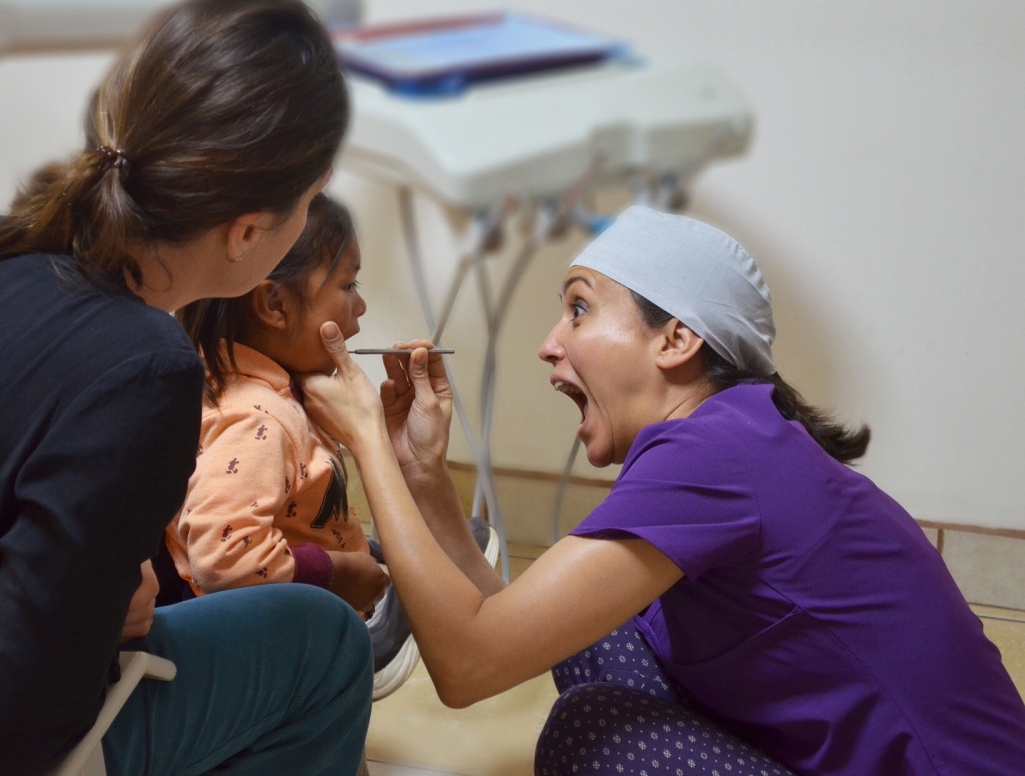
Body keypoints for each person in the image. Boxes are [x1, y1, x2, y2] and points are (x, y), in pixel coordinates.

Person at [0, 0, 371, 776]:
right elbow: (11, 731)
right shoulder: (143, 368)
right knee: (323, 643)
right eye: (309, 200)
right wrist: (96, 623)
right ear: (249, 230)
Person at [297, 205, 1025, 775]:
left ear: (677, 340)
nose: (551, 342)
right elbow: (510, 629)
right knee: (595, 638)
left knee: (592, 735)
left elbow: (467, 665)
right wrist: (422, 474)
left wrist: (366, 443)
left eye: (579, 308)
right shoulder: (734, 436)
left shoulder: (715, 455)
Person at [165, 194, 385, 613]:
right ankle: (373, 635)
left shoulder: (219, 383)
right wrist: (341, 575)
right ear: (274, 305)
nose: (360, 306)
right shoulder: (258, 421)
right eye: (348, 285)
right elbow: (225, 560)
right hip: (296, 638)